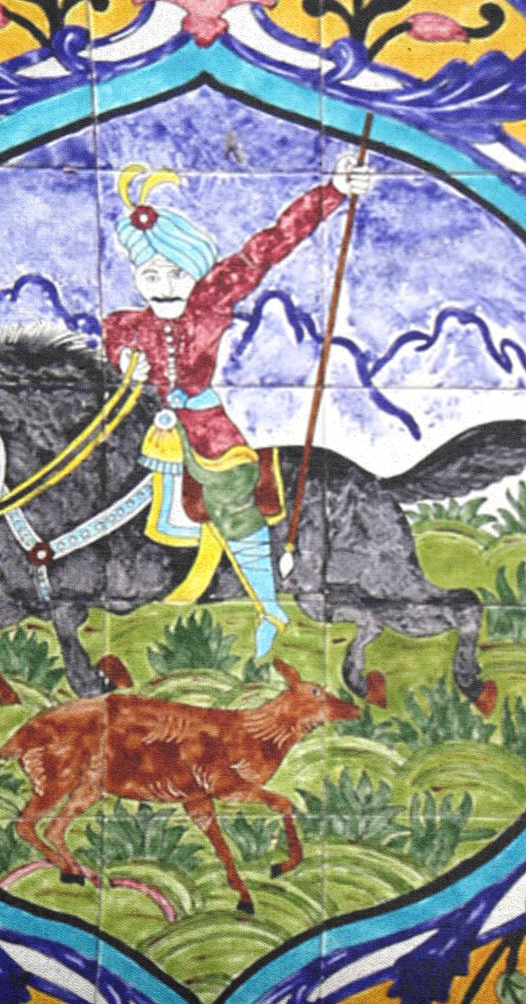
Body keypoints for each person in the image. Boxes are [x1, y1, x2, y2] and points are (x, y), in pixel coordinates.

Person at [104, 151, 374, 658]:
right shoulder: (122, 325)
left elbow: (271, 244)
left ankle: (268, 606)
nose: (163, 285)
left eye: (175, 273)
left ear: (195, 270)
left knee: (230, 495)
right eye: (150, 275)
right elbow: (112, 365)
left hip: (208, 434)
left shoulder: (212, 299)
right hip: (142, 430)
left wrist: (334, 191)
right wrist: (125, 370)